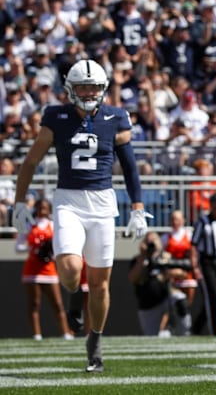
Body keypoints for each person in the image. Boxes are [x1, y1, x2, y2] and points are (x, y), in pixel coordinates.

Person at [12, 59, 152, 373]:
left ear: (103, 89)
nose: (89, 92)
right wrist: (19, 202)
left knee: (101, 285)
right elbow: (31, 161)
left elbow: (129, 167)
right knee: (72, 269)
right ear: (71, 89)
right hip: (68, 201)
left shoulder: (116, 117)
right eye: (83, 87)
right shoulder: (56, 116)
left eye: (94, 87)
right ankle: (75, 295)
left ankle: (95, 342)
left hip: (102, 203)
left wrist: (138, 206)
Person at [16, 198, 74, 341]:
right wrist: (34, 249)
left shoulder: (53, 226)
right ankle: (37, 334)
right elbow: (18, 247)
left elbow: (61, 246)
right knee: (34, 303)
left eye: (45, 207)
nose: (43, 210)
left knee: (57, 303)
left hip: (49, 269)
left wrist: (50, 252)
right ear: (36, 208)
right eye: (40, 207)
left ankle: (66, 332)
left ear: (49, 209)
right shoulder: (29, 225)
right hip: (32, 270)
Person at [190, 194, 216, 335]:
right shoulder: (203, 222)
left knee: (215, 298)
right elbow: (193, 244)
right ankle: (215, 331)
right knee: (213, 296)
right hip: (207, 263)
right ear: (211, 205)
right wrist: (195, 267)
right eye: (215, 204)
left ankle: (197, 329)